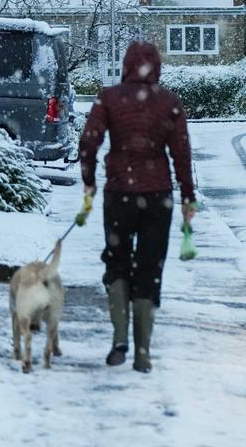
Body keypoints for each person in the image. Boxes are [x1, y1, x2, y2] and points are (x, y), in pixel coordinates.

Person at [79, 40, 196, 373]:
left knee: (117, 262)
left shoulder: (109, 97)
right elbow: (181, 153)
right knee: (149, 269)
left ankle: (119, 338)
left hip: (119, 195)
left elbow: (89, 141)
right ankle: (143, 352)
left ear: (126, 65)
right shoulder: (170, 102)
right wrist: (188, 196)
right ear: (156, 66)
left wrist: (89, 179)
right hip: (158, 196)